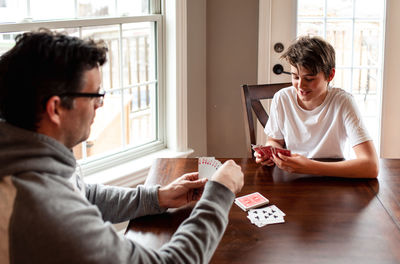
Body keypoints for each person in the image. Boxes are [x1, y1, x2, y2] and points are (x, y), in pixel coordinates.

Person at [0, 29, 244, 263]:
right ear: (55, 109)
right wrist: (220, 192)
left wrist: (158, 197)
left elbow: (84, 194)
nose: (100, 104)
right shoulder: (44, 208)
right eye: (94, 95)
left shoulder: (29, 155)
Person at [255, 36, 379, 178]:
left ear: (330, 75)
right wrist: (271, 152)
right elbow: (275, 140)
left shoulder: (343, 102)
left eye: (309, 79)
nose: (300, 86)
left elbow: (371, 166)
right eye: (295, 77)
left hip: (331, 178)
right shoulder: (282, 98)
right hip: (292, 177)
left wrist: (310, 167)